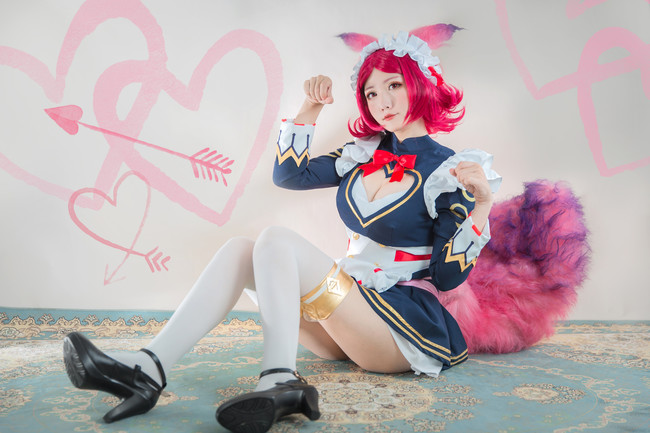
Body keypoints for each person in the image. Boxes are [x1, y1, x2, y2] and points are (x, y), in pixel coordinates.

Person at [62, 31, 501, 433]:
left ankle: (280, 380)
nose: (381, 101)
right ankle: (149, 368)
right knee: (240, 250)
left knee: (276, 239)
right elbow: (290, 176)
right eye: (371, 92)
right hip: (345, 321)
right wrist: (310, 108)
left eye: (394, 85)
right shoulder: (362, 154)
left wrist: (481, 205)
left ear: (420, 84)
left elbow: (447, 277)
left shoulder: (449, 170)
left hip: (394, 330)